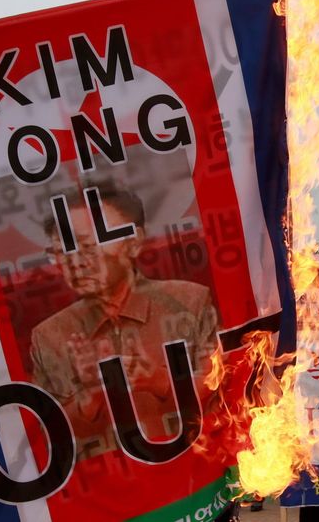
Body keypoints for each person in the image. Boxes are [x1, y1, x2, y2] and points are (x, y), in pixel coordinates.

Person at [29, 182, 221, 461]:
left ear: (133, 243)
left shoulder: (189, 302)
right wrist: (91, 397)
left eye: (87, 246)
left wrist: (161, 382)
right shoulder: (49, 336)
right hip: (111, 494)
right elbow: (43, 436)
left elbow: (223, 392)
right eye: (62, 250)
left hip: (194, 474)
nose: (76, 262)